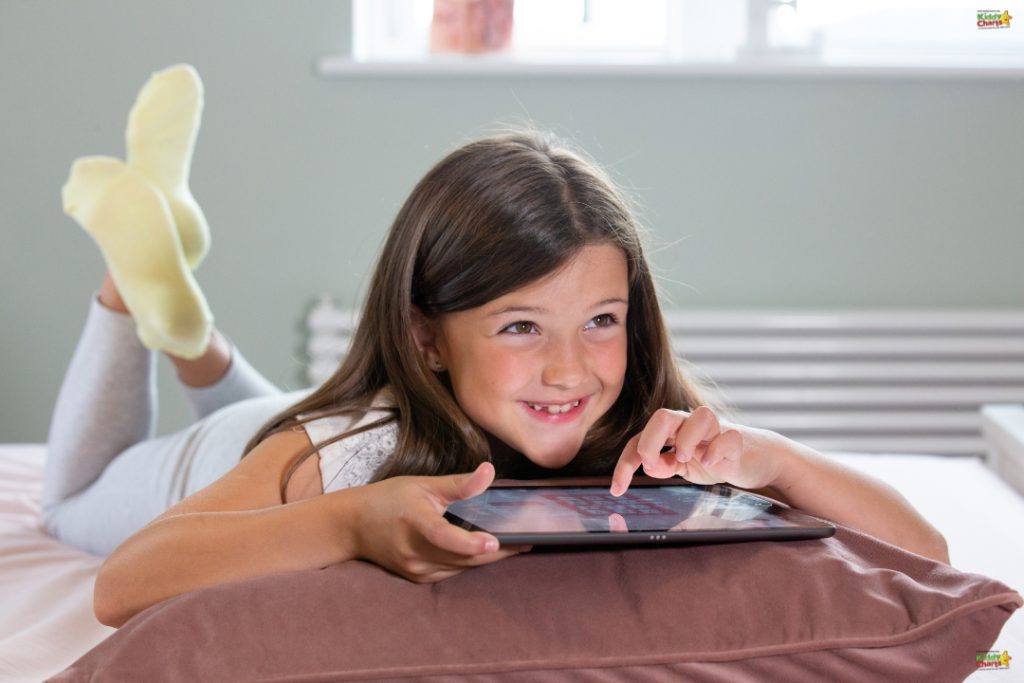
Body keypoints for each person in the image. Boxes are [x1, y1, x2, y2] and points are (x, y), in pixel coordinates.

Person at [46, 65, 948, 630]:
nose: (571, 368)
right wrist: (346, 519)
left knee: (268, 402)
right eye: (521, 325)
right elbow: (124, 583)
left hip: (297, 413)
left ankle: (194, 335)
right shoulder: (345, 452)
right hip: (229, 452)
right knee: (71, 494)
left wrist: (771, 459)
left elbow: (930, 551)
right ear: (424, 336)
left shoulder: (649, 429)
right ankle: (132, 291)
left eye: (602, 320)